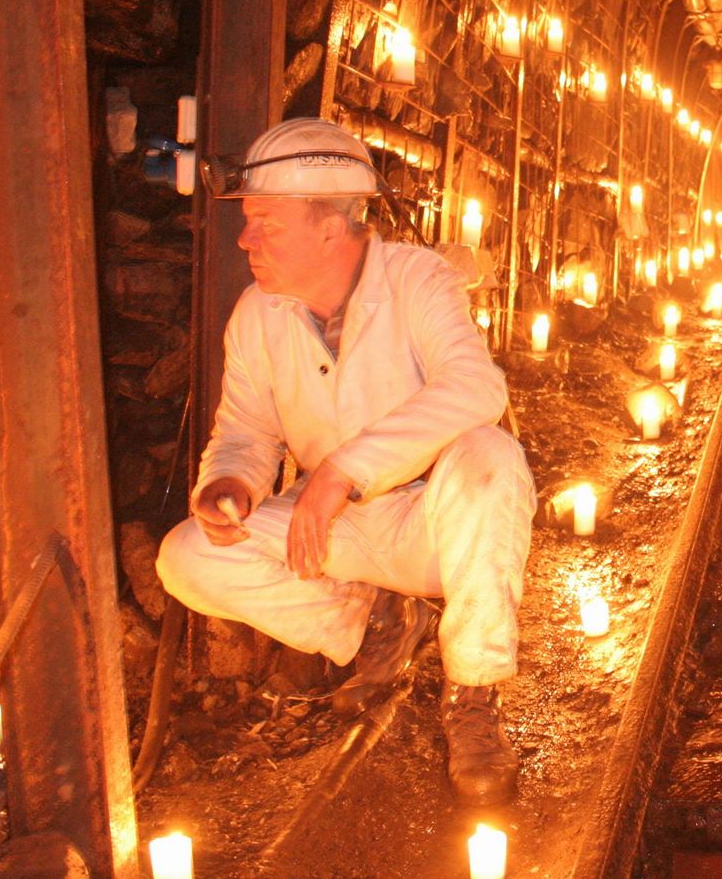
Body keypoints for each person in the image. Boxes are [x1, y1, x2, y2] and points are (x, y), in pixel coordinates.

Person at [156, 119, 535, 806]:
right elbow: (246, 429)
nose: (247, 239)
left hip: (434, 523)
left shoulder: (416, 279)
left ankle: (473, 696)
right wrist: (230, 484)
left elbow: (475, 385)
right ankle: (377, 625)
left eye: (265, 221)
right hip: (335, 528)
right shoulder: (257, 314)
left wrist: (341, 472)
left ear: (330, 228)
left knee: (491, 456)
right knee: (186, 556)